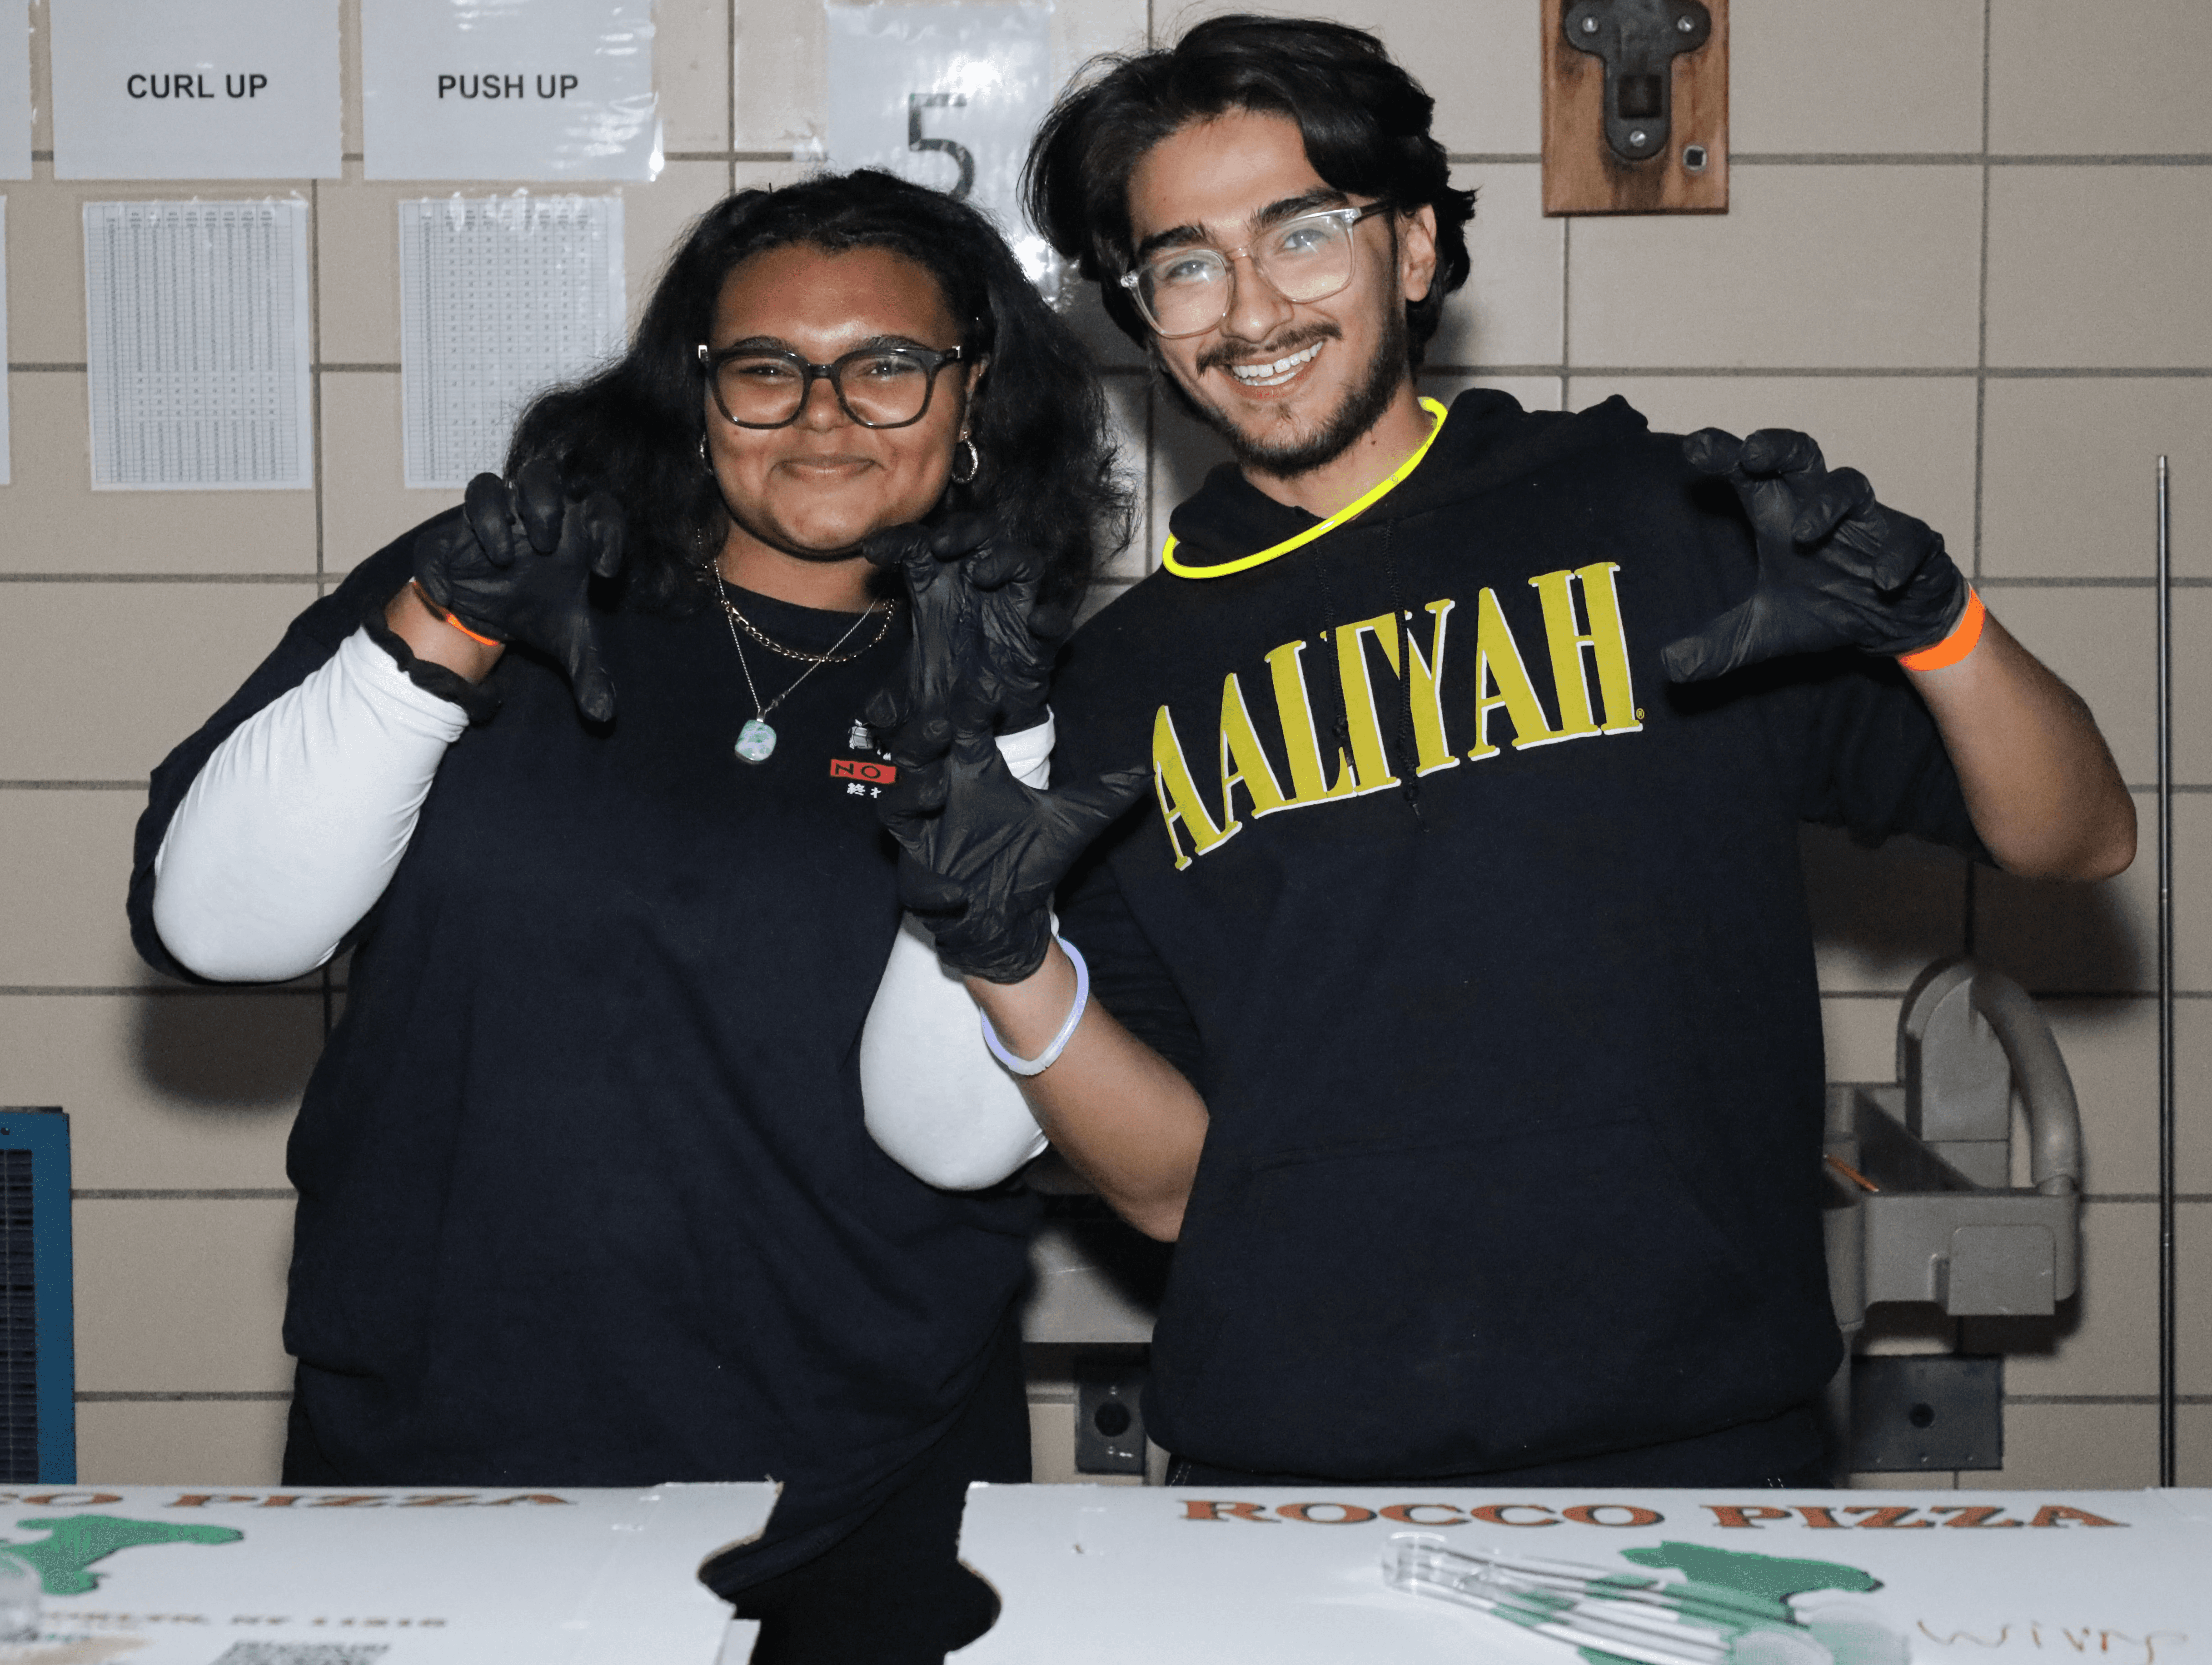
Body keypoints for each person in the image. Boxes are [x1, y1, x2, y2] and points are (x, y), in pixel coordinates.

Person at [868, 15, 2136, 1491]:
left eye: (1304, 233)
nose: (1251, 305)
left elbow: (2077, 837)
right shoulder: (1126, 681)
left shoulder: (1666, 526)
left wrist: (1940, 625)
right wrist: (1007, 957)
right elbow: (1164, 1195)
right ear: (1145, 314)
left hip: (1704, 1443)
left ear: (1411, 249)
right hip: (1285, 1468)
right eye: (1186, 262)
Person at [125, 169, 1122, 1661]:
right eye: (767, 368)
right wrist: (435, 635)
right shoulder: (500, 593)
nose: (824, 413)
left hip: (860, 1479)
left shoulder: (1022, 684)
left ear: (970, 392)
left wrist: (996, 736)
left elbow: (965, 1136)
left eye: (888, 366)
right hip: (442, 1448)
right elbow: (216, 932)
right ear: (698, 392)